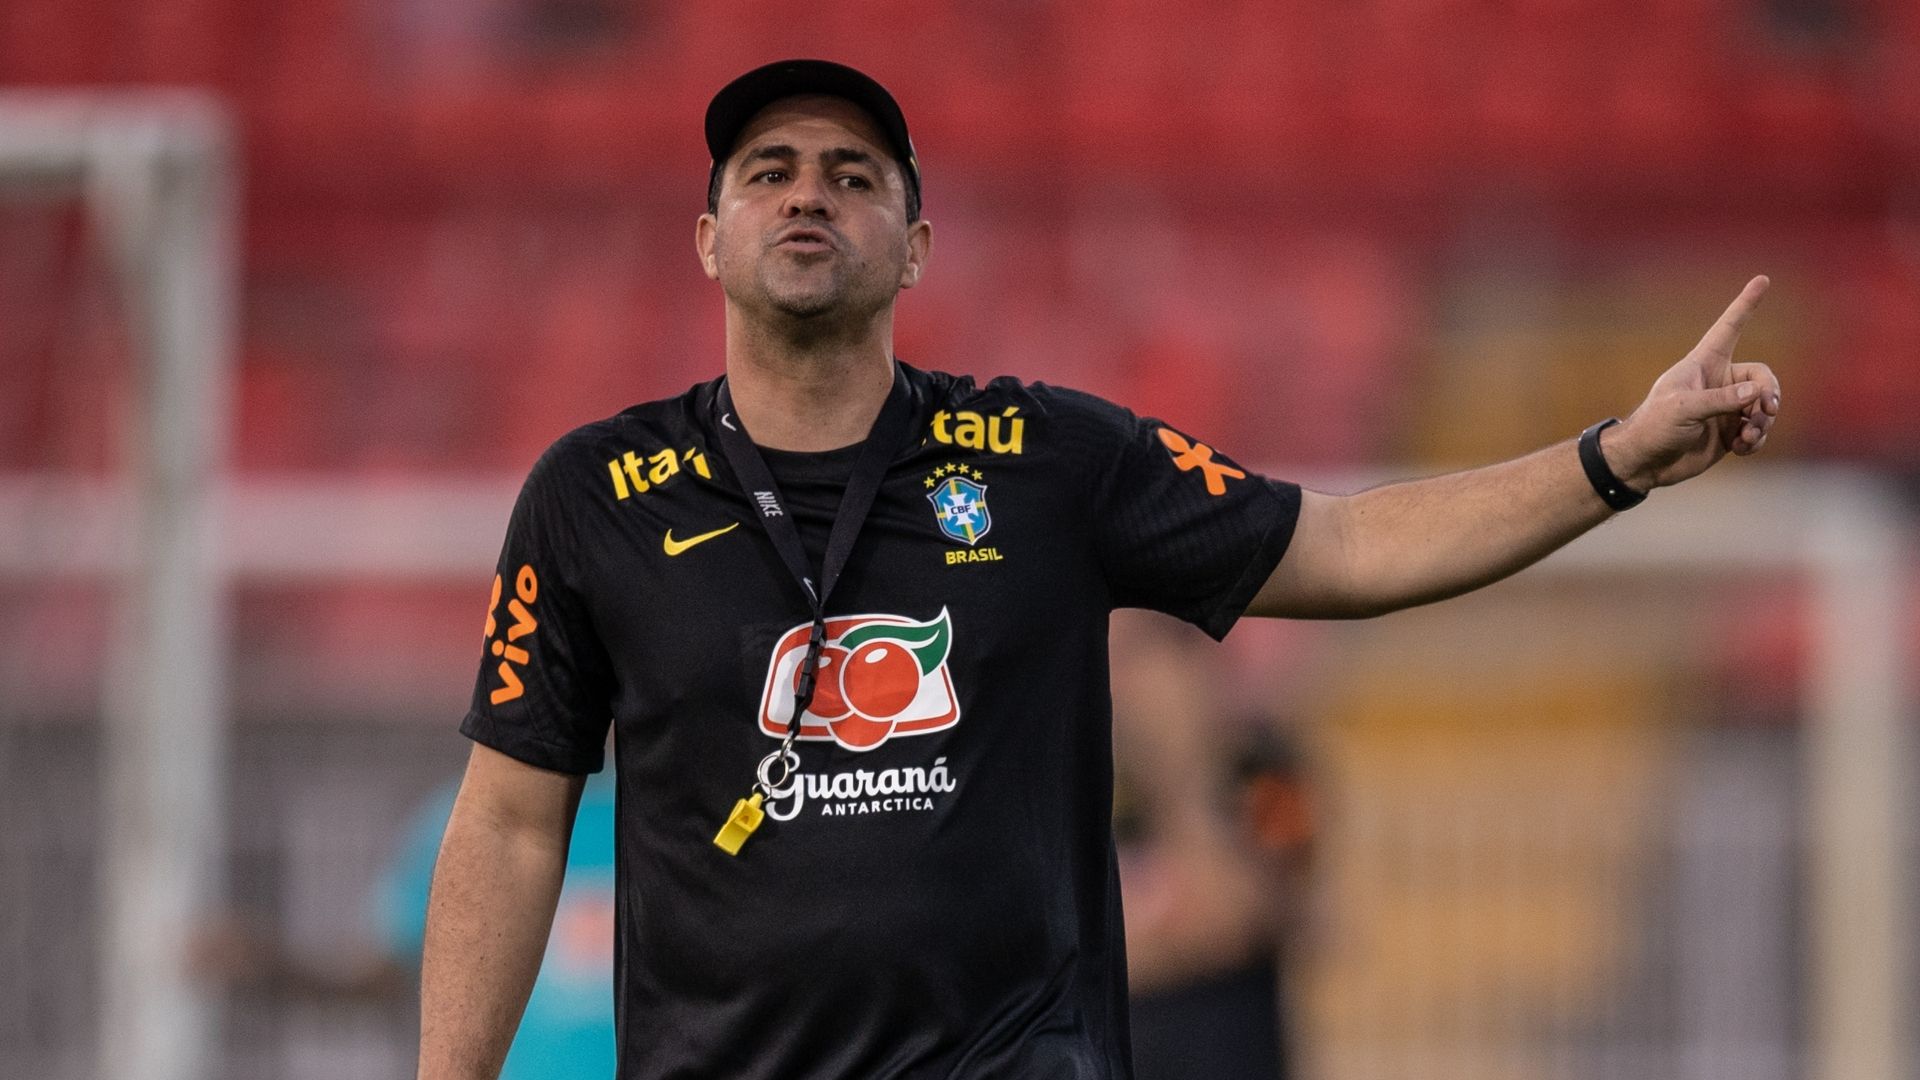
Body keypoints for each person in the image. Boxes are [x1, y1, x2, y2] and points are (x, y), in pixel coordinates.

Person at [418, 58, 1782, 1080]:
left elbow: (1346, 542)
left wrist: (1617, 458)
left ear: (916, 247)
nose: (807, 195)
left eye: (852, 175)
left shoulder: (1048, 458)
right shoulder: (594, 495)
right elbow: (511, 820)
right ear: (709, 237)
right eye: (767, 171)